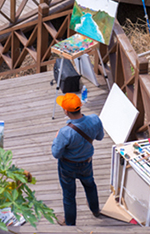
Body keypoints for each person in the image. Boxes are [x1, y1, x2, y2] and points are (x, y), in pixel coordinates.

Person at [51, 93, 104, 226]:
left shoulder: (65, 132)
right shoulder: (95, 119)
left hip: (67, 167)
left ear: (66, 111)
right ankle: (95, 210)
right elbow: (100, 137)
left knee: (69, 195)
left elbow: (56, 153)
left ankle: (70, 224)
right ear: (80, 106)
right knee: (90, 185)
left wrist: (56, 138)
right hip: (86, 163)